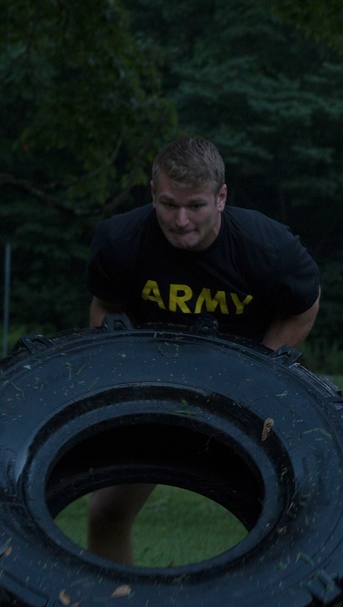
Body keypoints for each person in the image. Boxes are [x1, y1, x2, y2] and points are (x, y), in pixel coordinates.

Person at [85, 136, 321, 564]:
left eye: (195, 205)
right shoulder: (121, 241)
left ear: (221, 197)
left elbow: (304, 308)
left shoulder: (267, 248)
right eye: (168, 204)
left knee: (291, 520)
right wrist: (125, 384)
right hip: (157, 388)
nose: (180, 220)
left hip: (247, 395)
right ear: (152, 194)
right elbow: (105, 309)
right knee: (107, 512)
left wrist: (257, 375)